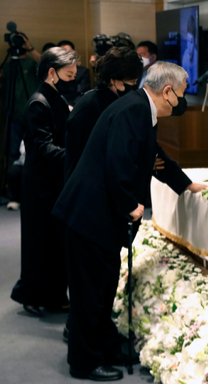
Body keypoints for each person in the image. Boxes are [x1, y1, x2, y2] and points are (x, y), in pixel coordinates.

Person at [52, 61, 206, 381]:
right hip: (90, 216)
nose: (181, 100)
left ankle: (106, 347)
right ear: (167, 91)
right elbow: (116, 163)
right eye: (180, 93)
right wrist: (130, 205)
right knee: (90, 294)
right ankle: (83, 361)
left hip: (98, 217)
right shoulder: (134, 110)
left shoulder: (140, 108)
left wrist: (185, 184)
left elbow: (153, 155)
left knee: (103, 288)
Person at [10, 47, 78, 316]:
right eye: (69, 74)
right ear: (52, 73)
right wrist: (76, 155)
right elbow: (42, 148)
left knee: (53, 243)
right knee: (41, 243)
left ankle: (52, 296)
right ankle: (32, 295)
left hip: (51, 182)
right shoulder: (40, 102)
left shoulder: (55, 97)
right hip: (41, 185)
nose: (73, 79)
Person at [65, 47, 142, 182]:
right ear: (114, 81)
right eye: (133, 82)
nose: (135, 87)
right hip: (88, 184)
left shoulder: (117, 101)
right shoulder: (90, 107)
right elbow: (86, 155)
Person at [0, 33, 41, 210]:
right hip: (13, 115)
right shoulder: (10, 65)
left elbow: (45, 64)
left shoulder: (31, 62)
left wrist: (28, 46)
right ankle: (13, 194)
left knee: (33, 153)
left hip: (30, 115)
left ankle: (31, 192)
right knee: (13, 155)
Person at [58, 40, 92, 106]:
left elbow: (83, 92)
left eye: (69, 52)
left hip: (75, 105)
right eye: (63, 52)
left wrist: (71, 106)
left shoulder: (82, 71)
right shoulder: (54, 71)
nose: (67, 55)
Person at [181, 15, 198, 93]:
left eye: (191, 41)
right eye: (187, 41)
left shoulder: (197, 56)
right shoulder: (185, 55)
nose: (188, 46)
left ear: (195, 41)